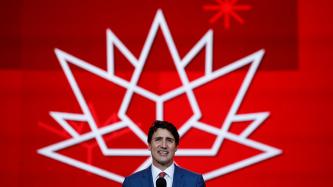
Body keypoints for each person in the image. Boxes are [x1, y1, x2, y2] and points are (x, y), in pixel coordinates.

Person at [122, 120, 205, 187]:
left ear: (176, 147)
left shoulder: (194, 182)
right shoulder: (131, 183)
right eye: (158, 139)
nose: (164, 145)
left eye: (169, 140)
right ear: (149, 145)